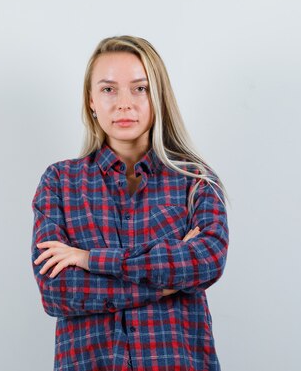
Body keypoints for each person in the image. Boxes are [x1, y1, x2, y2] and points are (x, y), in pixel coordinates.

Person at [31, 35, 229, 371]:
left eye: (140, 88)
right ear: (90, 100)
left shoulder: (195, 180)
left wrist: (89, 260)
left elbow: (206, 262)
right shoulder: (60, 182)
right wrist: (166, 285)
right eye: (108, 89)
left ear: (158, 96)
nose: (125, 103)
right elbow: (57, 291)